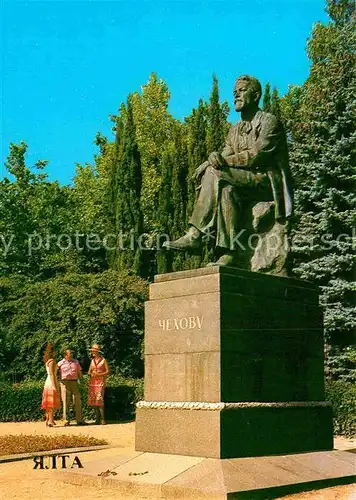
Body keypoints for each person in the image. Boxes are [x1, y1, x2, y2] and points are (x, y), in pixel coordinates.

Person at [164, 74, 293, 266]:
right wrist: (211, 159)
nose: (236, 96)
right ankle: (228, 252)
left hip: (266, 181)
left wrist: (219, 162)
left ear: (256, 95)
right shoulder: (234, 130)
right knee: (226, 189)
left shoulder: (269, 122)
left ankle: (194, 235)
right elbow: (224, 154)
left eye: (242, 91)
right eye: (234, 93)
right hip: (242, 181)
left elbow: (256, 155)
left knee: (216, 173)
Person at [57, 349, 84, 426]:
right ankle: (66, 420)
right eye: (69, 353)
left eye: (72, 353)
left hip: (74, 382)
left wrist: (82, 381)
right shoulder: (60, 363)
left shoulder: (76, 362)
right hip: (64, 383)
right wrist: (57, 381)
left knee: (77, 401)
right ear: (65, 355)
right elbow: (55, 373)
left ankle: (79, 420)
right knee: (65, 401)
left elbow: (79, 372)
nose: (71, 354)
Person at [88, 344, 109, 425]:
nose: (92, 352)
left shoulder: (104, 360)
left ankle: (103, 419)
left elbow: (107, 371)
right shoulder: (92, 361)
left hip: (100, 382)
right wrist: (91, 374)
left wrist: (99, 374)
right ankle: (97, 419)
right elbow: (89, 372)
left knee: (100, 400)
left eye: (93, 351)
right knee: (93, 400)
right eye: (92, 351)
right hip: (93, 382)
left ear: (97, 352)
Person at [41, 344, 61, 427]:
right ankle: (50, 420)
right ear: (53, 352)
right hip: (51, 382)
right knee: (51, 403)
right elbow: (52, 374)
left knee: (48, 403)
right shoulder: (52, 361)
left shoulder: (48, 361)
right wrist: (55, 385)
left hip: (48, 382)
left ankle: (48, 419)